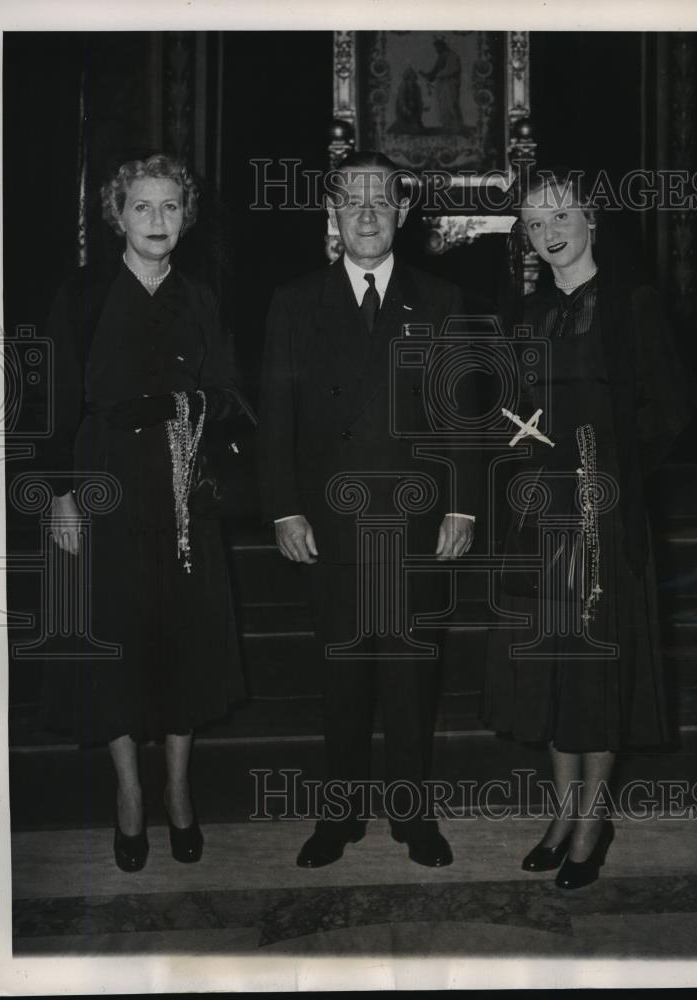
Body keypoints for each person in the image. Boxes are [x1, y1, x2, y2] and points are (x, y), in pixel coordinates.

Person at [258, 151, 477, 869]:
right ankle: (339, 817)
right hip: (331, 523)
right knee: (342, 677)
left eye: (381, 200)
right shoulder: (293, 302)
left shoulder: (440, 298)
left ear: (403, 212)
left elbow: (458, 417)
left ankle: (414, 819)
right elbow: (277, 416)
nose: (367, 213)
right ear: (331, 214)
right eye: (351, 201)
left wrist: (463, 507)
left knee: (414, 678)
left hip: (416, 522)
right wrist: (286, 508)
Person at [482, 167, 691, 888]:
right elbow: (508, 410)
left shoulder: (631, 304)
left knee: (598, 672)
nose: (548, 233)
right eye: (534, 225)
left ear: (590, 217)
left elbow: (668, 410)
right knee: (554, 671)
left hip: (605, 517)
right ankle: (563, 812)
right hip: (539, 516)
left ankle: (592, 822)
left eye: (559, 216)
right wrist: (517, 438)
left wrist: (611, 467)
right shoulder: (528, 313)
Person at [43, 153, 250, 871]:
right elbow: (54, 403)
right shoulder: (81, 298)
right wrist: (62, 495)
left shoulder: (201, 297)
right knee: (118, 636)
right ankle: (129, 793)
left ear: (186, 217)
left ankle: (179, 789)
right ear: (117, 216)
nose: (157, 220)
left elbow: (231, 392)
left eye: (170, 207)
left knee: (186, 639)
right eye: (142, 207)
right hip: (105, 482)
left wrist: (194, 407)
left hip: (184, 484)